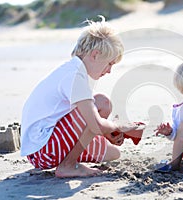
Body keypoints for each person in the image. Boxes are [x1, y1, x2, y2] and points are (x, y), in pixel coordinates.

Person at [20, 16, 138, 178]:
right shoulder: (74, 76)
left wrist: (107, 131)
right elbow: (95, 123)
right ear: (95, 54)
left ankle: (69, 161)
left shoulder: (76, 71)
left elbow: (90, 123)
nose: (109, 70)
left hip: (47, 146)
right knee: (101, 103)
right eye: (109, 63)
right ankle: (68, 165)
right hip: (43, 149)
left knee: (113, 153)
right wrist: (118, 125)